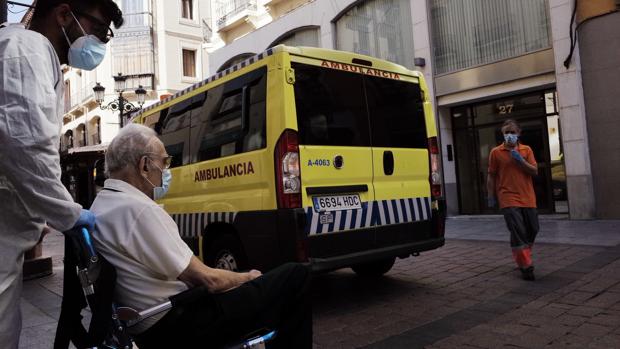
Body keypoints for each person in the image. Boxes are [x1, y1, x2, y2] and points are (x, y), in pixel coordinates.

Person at [90, 124, 312, 348]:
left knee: (268, 291)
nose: (166, 172)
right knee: (295, 276)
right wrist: (248, 278)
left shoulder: (102, 204)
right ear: (145, 165)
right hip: (179, 322)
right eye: (164, 162)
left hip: (147, 322)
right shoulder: (139, 210)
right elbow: (209, 280)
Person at [0, 1, 123, 347]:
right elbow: (27, 145)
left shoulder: (30, 53)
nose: (102, 43)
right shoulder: (27, 51)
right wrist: (68, 214)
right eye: (99, 31)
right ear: (65, 15)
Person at [487, 119, 539, 281]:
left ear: (519, 133)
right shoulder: (496, 152)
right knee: (518, 230)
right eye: (506, 132)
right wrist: (490, 196)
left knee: (533, 229)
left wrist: (520, 160)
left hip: (528, 197)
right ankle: (526, 266)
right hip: (507, 197)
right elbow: (491, 176)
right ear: (502, 134)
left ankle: (521, 255)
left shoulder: (526, 150)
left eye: (512, 132)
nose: (509, 135)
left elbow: (535, 171)